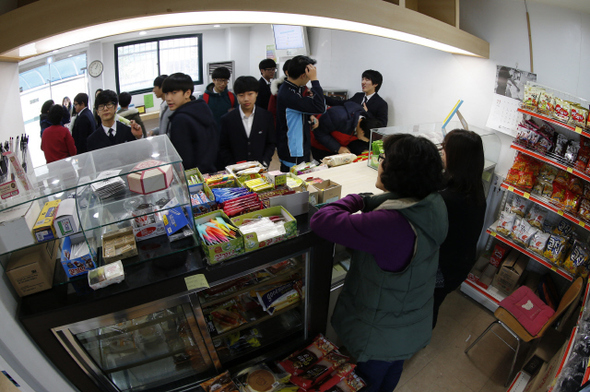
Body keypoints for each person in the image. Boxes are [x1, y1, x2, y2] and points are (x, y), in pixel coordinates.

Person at [310, 134, 448, 392]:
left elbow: (321, 221)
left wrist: (356, 199)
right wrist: (374, 200)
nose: (379, 162)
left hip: (380, 332)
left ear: (398, 173)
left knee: (366, 382)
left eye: (383, 159)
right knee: (391, 371)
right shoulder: (433, 203)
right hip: (408, 322)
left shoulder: (389, 225)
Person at [432, 129, 486, 329]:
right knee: (433, 305)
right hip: (458, 266)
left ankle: (415, 340)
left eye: (444, 149)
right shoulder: (473, 187)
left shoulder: (449, 200)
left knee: (428, 307)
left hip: (443, 272)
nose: (442, 153)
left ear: (456, 157)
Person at [276, 55, 327, 172]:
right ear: (303, 75)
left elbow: (297, 109)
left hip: (298, 143)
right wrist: (315, 81)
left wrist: (310, 115)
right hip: (293, 149)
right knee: (294, 184)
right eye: (309, 76)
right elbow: (321, 107)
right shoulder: (288, 94)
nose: (309, 79)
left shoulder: (293, 87)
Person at [163, 73, 218, 172]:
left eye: (174, 93)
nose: (168, 98)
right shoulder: (203, 109)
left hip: (193, 178)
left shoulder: (180, 120)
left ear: (187, 93)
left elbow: (184, 159)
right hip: (211, 173)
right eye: (166, 93)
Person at [218, 76, 275, 168]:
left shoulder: (266, 116)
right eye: (241, 95)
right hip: (236, 170)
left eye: (250, 94)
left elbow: (271, 143)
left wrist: (265, 161)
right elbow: (223, 146)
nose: (246, 99)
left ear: (256, 93)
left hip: (259, 168)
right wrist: (232, 165)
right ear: (236, 96)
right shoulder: (227, 119)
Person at [310, 101, 378, 161]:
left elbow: (354, 141)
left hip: (337, 148)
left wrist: (364, 151)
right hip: (320, 146)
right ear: (362, 132)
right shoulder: (338, 116)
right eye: (365, 139)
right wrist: (338, 148)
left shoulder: (364, 121)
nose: (363, 140)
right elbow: (319, 133)